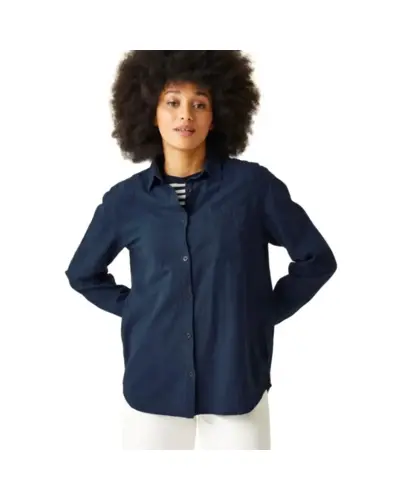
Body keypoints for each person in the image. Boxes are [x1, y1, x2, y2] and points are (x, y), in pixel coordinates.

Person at [65, 50, 337, 450]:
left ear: (217, 115)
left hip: (236, 383)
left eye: (200, 104)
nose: (185, 116)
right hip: (154, 383)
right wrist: (138, 308)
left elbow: (316, 259)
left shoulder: (254, 188)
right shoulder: (125, 201)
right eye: (172, 102)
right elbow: (82, 273)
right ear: (150, 112)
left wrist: (260, 313)